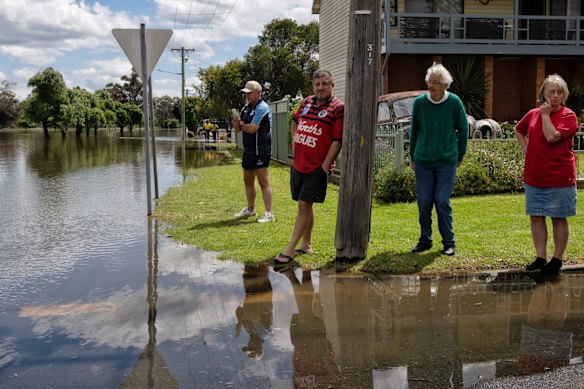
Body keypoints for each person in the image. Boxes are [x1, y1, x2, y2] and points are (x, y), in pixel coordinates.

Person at [275, 69, 344, 264]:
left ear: (332, 85)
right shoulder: (306, 102)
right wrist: (296, 142)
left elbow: (337, 141)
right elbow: (295, 121)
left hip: (316, 167)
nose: (320, 87)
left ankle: (289, 249)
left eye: (324, 83)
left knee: (305, 205)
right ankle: (306, 244)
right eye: (317, 84)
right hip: (300, 164)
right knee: (304, 203)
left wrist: (324, 166)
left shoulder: (338, 108)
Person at [516, 74, 578, 274]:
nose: (555, 96)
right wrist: (526, 147)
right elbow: (519, 129)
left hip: (559, 177)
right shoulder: (532, 113)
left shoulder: (568, 115)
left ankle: (557, 259)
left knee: (558, 218)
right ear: (543, 93)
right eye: (551, 91)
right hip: (535, 176)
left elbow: (552, 137)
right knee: (536, 216)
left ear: (564, 95)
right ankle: (540, 257)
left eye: (559, 92)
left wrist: (545, 115)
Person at [410, 62, 469, 256]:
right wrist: (412, 157)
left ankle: (449, 242)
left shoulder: (454, 102)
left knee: (442, 200)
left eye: (436, 82)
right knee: (424, 201)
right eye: (429, 81)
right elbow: (414, 131)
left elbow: (463, 129)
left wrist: (459, 154)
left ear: (445, 85)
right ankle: (425, 240)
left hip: (446, 161)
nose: (431, 85)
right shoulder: (419, 103)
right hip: (423, 160)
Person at [232, 80, 275, 223]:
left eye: (250, 93)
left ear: (258, 93)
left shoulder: (263, 108)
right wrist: (237, 121)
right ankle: (250, 210)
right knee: (247, 180)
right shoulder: (246, 108)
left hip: (261, 150)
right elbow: (238, 130)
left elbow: (252, 128)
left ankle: (269, 213)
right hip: (249, 150)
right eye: (246, 94)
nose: (247, 96)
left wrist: (242, 123)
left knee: (263, 181)